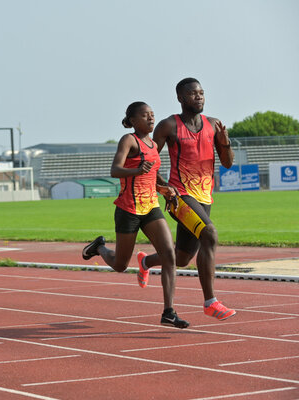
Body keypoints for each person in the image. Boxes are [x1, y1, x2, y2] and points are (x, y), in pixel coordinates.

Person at [82, 102, 189, 329]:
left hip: (151, 207)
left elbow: (153, 173)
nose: (151, 118)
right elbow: (115, 170)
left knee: (169, 254)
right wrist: (136, 170)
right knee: (121, 264)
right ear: (132, 120)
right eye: (145, 115)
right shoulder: (128, 140)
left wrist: (166, 187)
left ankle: (168, 312)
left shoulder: (152, 143)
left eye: (152, 115)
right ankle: (99, 247)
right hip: (128, 209)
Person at [144, 77, 236, 321]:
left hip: (204, 196)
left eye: (202, 93)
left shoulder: (214, 124)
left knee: (183, 258)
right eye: (193, 93)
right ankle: (210, 302)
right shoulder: (167, 126)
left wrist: (225, 143)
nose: (199, 97)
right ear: (181, 98)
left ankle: (146, 262)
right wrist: (163, 188)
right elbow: (149, 160)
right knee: (210, 234)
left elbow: (227, 163)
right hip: (180, 196)